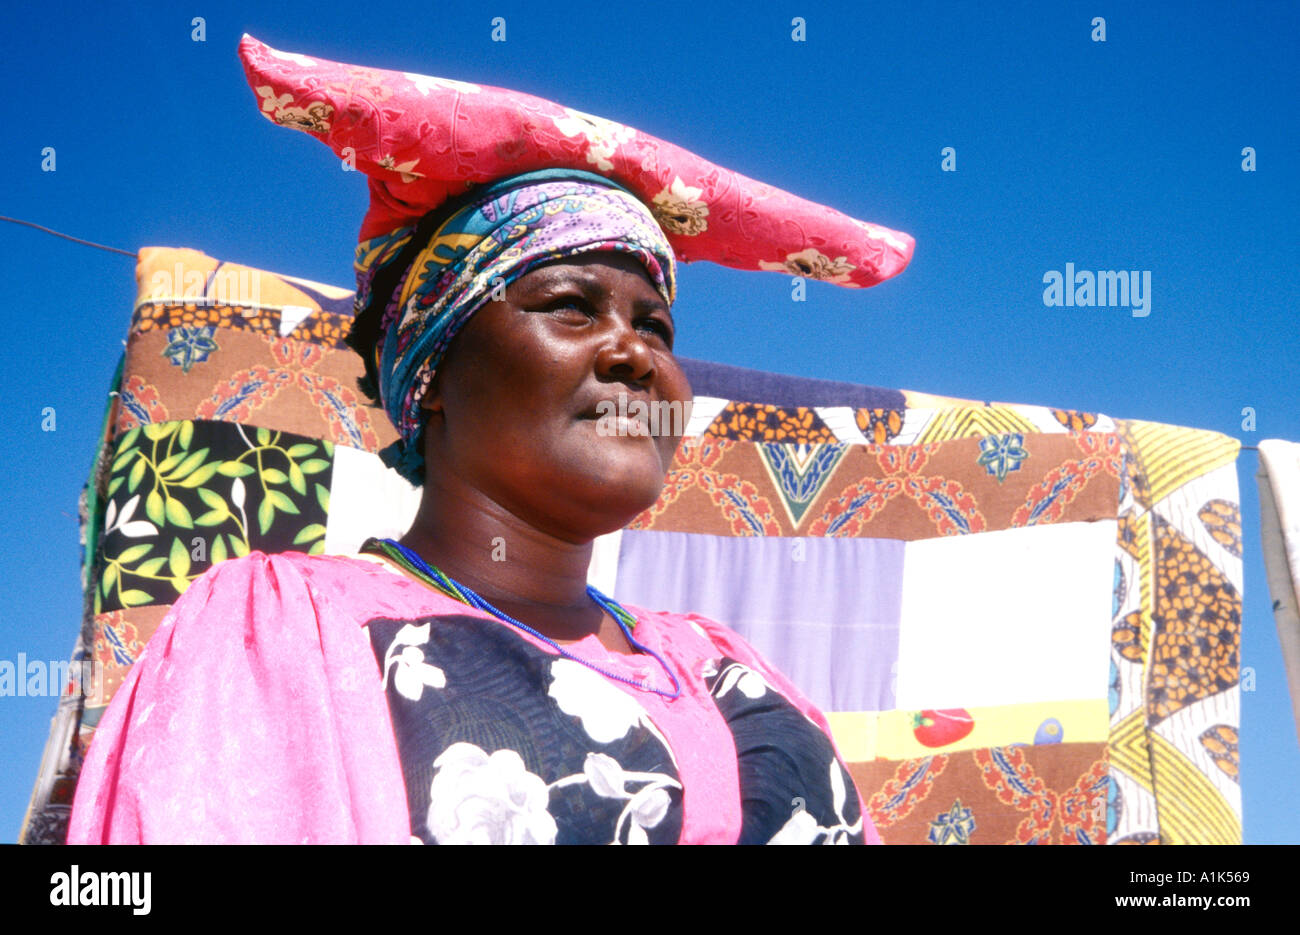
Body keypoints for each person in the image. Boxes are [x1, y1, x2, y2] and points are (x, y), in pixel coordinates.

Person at [68, 37, 914, 845]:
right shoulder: (282, 631)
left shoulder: (734, 676)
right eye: (570, 307)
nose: (635, 355)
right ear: (432, 372)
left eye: (656, 326)